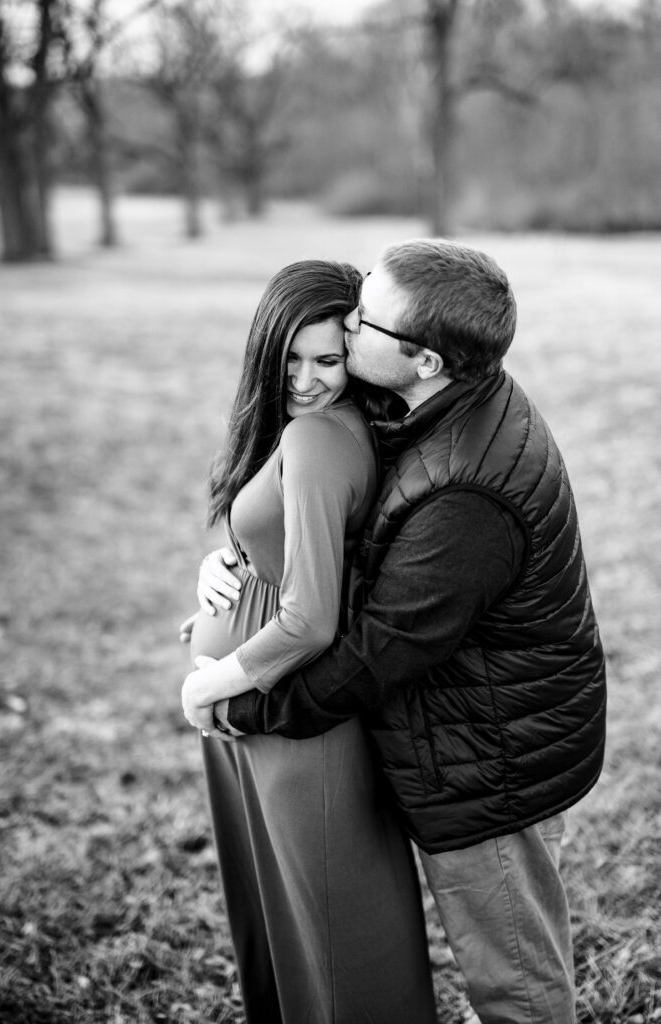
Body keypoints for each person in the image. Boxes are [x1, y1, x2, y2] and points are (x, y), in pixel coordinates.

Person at [193, 239, 607, 1024]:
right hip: (472, 728)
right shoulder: (434, 404)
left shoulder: (468, 493)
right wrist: (244, 557)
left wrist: (248, 707)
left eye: (361, 325)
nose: (345, 333)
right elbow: (345, 535)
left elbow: (381, 649)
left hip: (489, 758)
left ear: (421, 360)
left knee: (514, 983)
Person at [180, 259, 437, 1024]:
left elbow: (312, 619)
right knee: (278, 914)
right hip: (258, 699)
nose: (305, 378)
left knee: (334, 935)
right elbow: (293, 547)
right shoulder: (309, 432)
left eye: (327, 359)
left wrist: (209, 681)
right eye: (288, 359)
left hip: (288, 710)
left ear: (355, 355)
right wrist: (225, 559)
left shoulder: (323, 436)